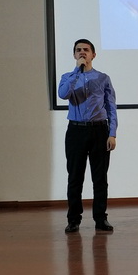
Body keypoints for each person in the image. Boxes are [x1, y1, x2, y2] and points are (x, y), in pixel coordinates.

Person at [58, 39, 117, 233]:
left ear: (93, 55)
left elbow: (111, 107)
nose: (82, 52)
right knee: (75, 177)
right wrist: (77, 71)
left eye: (86, 50)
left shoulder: (103, 78)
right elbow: (63, 94)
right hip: (76, 131)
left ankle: (101, 218)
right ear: (74, 55)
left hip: (99, 130)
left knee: (100, 178)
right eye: (78, 50)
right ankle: (73, 219)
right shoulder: (67, 77)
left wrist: (112, 133)